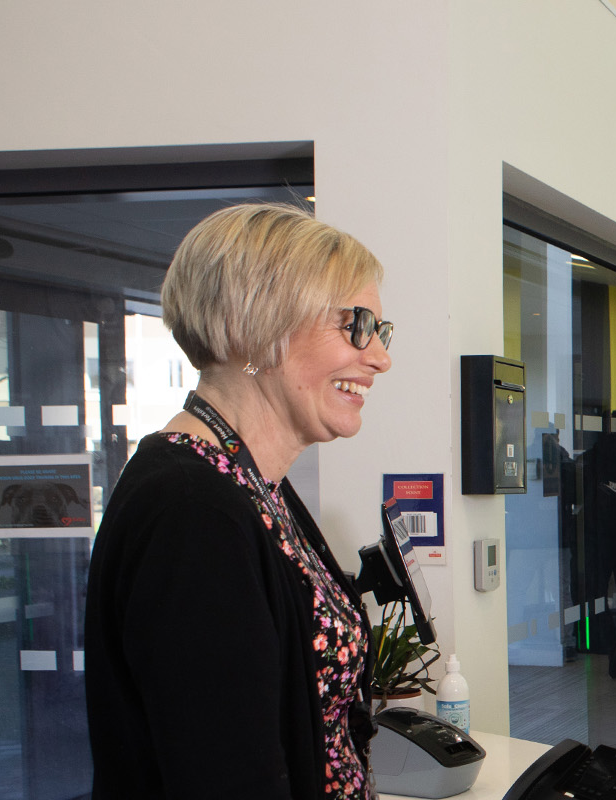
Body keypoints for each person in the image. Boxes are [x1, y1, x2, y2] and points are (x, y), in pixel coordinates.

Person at [86, 203, 394, 799]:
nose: (379, 357)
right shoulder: (191, 512)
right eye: (356, 325)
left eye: (379, 332)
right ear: (261, 324)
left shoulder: (251, 486)